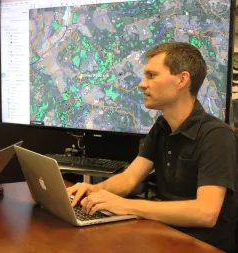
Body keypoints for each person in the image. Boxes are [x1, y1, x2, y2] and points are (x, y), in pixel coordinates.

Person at [67, 42, 238, 252]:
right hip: (166, 236)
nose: (142, 84)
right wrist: (94, 190)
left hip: (202, 245)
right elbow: (129, 179)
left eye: (151, 75)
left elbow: (205, 213)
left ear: (182, 80)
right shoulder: (162, 126)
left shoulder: (216, 135)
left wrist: (125, 205)